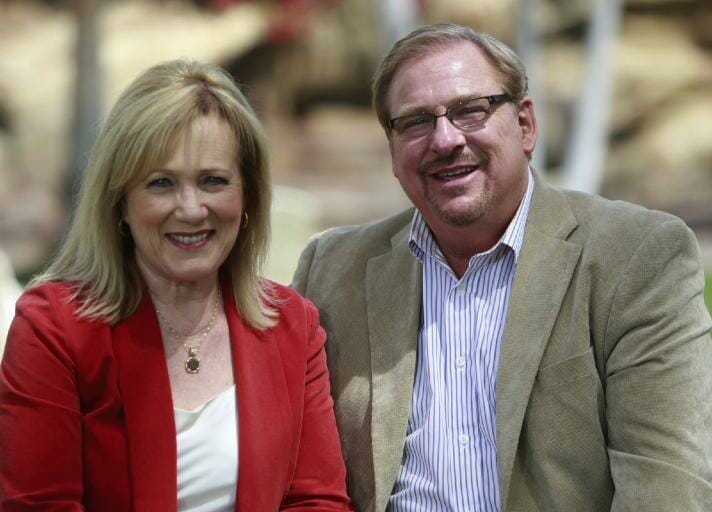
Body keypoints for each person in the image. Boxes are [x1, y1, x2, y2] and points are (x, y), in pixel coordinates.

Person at [292, 23, 712, 511]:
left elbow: (667, 486)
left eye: (471, 110)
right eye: (415, 122)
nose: (445, 139)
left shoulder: (635, 256)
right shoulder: (333, 267)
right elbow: (299, 473)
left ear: (526, 125)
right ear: (392, 150)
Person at [0, 59, 353, 511]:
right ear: (120, 202)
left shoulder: (292, 325)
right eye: (162, 183)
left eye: (213, 181)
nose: (190, 209)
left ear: (248, 197)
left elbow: (316, 500)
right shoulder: (55, 328)